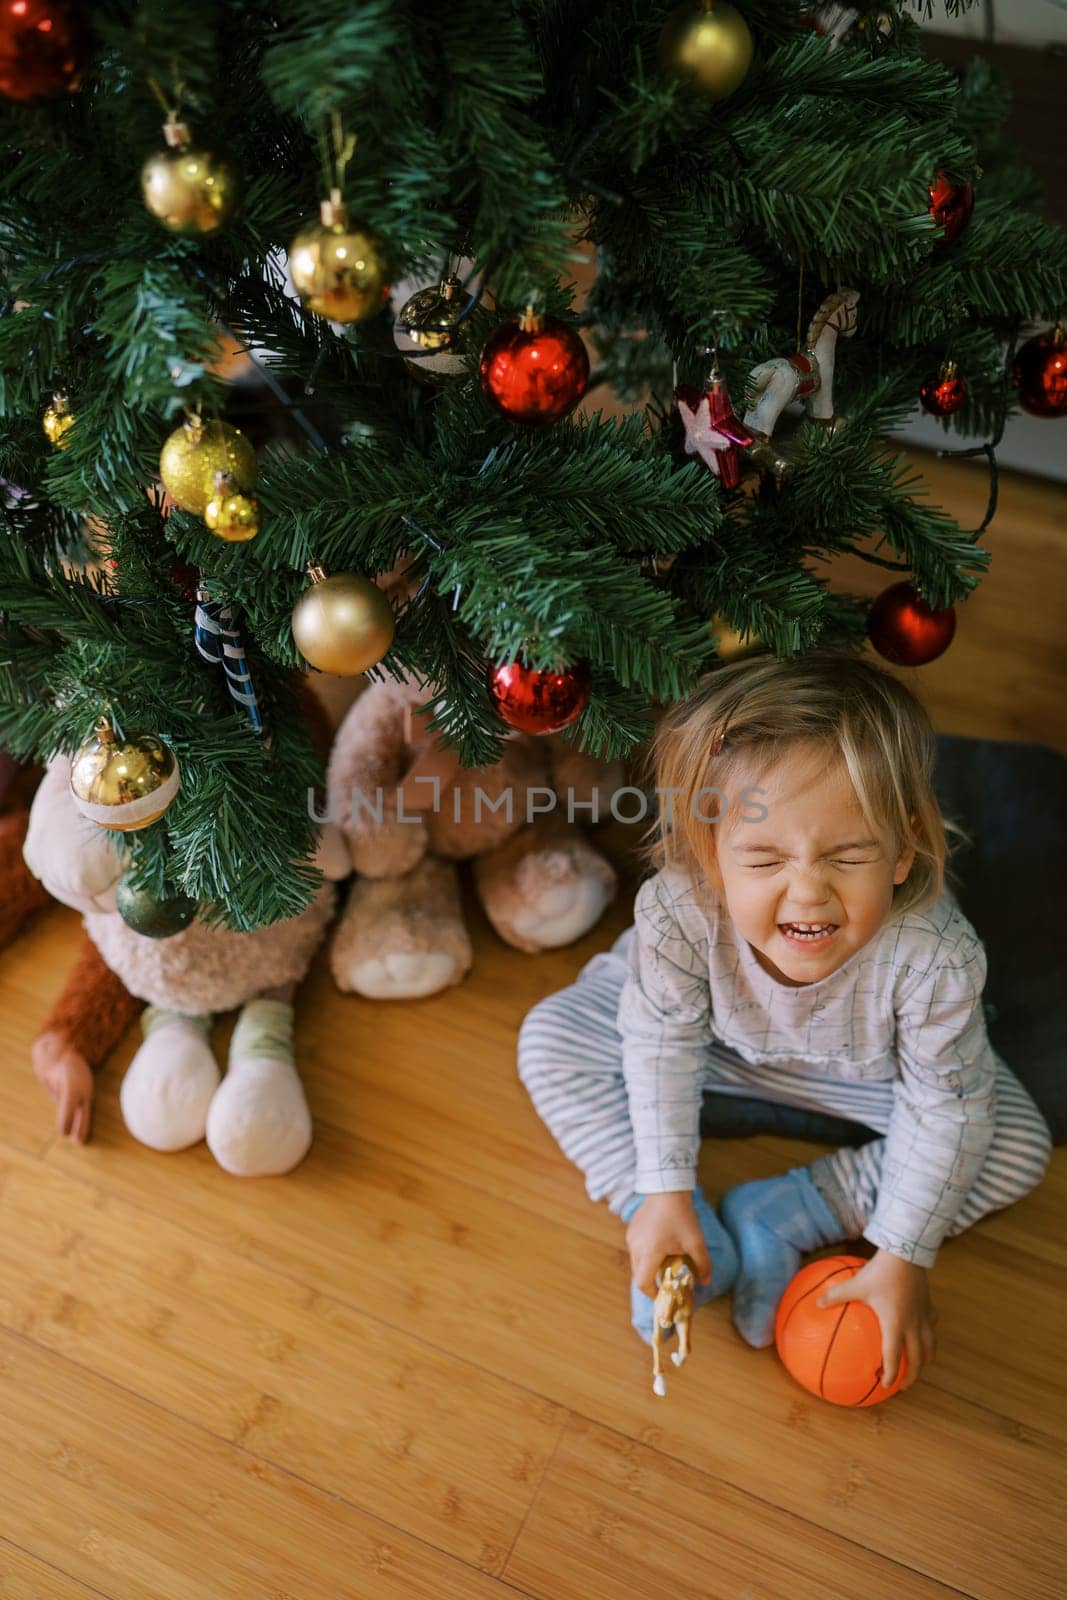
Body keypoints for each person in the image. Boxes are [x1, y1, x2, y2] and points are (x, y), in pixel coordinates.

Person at [518, 652, 1052, 1391]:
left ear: (900, 850)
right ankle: (667, 1217)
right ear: (709, 854)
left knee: (1014, 1145)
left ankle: (785, 1211)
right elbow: (661, 1038)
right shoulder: (677, 912)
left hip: (867, 1072)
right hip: (708, 1040)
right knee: (549, 1039)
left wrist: (901, 1254)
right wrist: (664, 1188)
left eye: (847, 854)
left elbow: (944, 1106)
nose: (808, 893)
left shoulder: (933, 957)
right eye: (763, 859)